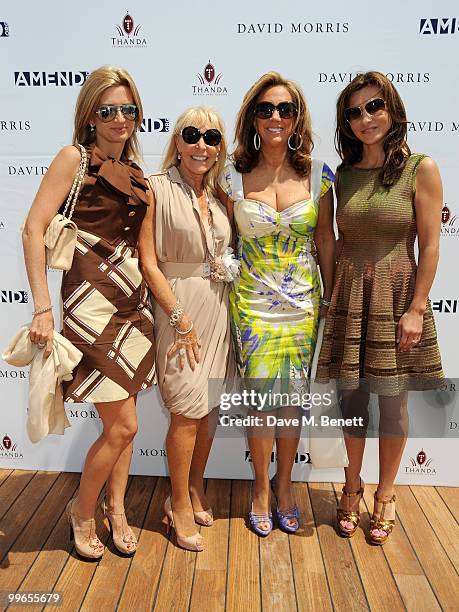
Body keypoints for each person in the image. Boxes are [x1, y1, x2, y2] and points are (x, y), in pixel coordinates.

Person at [22, 66, 155, 559]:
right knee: (124, 427)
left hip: (132, 304)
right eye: (108, 110)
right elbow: (33, 228)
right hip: (89, 304)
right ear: (90, 116)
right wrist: (41, 307)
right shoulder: (73, 158)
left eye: (128, 109)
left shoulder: (139, 172)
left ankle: (116, 509)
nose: (120, 118)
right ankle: (82, 511)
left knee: (124, 420)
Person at [317, 71, 444, 545]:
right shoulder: (341, 174)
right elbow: (326, 239)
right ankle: (351, 487)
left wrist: (416, 308)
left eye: (374, 107)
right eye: (354, 112)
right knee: (351, 402)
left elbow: (430, 245)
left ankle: (385, 495)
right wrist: (331, 294)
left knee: (393, 403)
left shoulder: (421, 168)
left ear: (392, 109)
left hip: (396, 297)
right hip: (350, 295)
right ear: (345, 122)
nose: (365, 118)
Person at [218, 72, 335, 536]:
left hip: (304, 303)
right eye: (266, 109)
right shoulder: (230, 173)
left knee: (292, 403)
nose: (275, 117)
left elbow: (325, 240)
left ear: (297, 118)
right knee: (262, 403)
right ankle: (261, 488)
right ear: (252, 116)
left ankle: (285, 486)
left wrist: (334, 299)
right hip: (252, 301)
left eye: (285, 109)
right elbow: (217, 234)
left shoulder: (319, 173)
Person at [138, 107, 233, 552]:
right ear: (176, 141)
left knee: (208, 408)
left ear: (219, 148)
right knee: (186, 409)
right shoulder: (155, 189)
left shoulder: (218, 196)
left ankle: (195, 488)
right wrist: (178, 318)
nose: (201, 145)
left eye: (211, 137)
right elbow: (147, 262)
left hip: (219, 308)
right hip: (179, 310)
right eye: (191, 135)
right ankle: (176, 504)